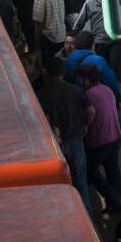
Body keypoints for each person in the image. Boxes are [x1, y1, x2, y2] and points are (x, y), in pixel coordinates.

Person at [36, 57, 94, 213]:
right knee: (80, 179)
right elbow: (90, 111)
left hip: (55, 146)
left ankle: (70, 213)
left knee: (63, 182)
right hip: (76, 140)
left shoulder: (40, 96)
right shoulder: (75, 90)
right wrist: (85, 125)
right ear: (63, 72)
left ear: (46, 73)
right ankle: (86, 212)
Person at [78, 63, 121, 214]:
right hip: (115, 136)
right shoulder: (107, 90)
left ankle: (113, 199)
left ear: (85, 80)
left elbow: (88, 116)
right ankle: (119, 202)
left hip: (99, 141)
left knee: (91, 170)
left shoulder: (88, 95)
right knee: (113, 171)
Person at [72, 0, 120, 79]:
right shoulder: (89, 3)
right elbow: (80, 21)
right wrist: (72, 33)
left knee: (115, 68)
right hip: (99, 42)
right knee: (102, 68)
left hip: (115, 40)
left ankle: (116, 88)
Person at [63, 31, 121, 102]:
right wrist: (117, 99)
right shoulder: (98, 61)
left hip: (73, 102)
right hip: (93, 103)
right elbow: (112, 84)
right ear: (92, 45)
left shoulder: (66, 62)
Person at [32, 0, 66, 67]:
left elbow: (38, 20)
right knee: (59, 63)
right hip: (61, 34)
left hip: (48, 37)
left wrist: (38, 37)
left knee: (48, 65)